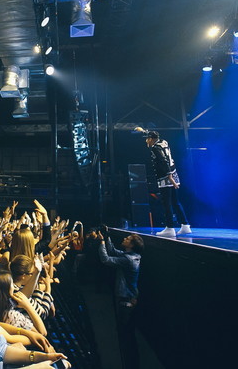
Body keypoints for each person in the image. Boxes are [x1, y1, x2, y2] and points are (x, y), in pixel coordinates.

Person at [97, 230, 144, 369]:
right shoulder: (131, 256)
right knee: (128, 334)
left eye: (128, 239)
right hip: (129, 298)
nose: (125, 238)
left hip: (126, 301)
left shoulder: (128, 260)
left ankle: (130, 364)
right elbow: (114, 251)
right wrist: (106, 237)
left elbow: (106, 259)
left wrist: (101, 242)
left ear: (132, 245)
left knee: (125, 335)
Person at [142, 129, 191, 237]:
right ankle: (185, 224)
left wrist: (169, 176)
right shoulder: (163, 142)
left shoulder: (155, 148)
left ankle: (170, 227)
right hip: (174, 173)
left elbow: (163, 161)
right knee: (175, 202)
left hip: (166, 177)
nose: (146, 141)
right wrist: (144, 131)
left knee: (166, 203)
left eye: (147, 139)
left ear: (151, 139)